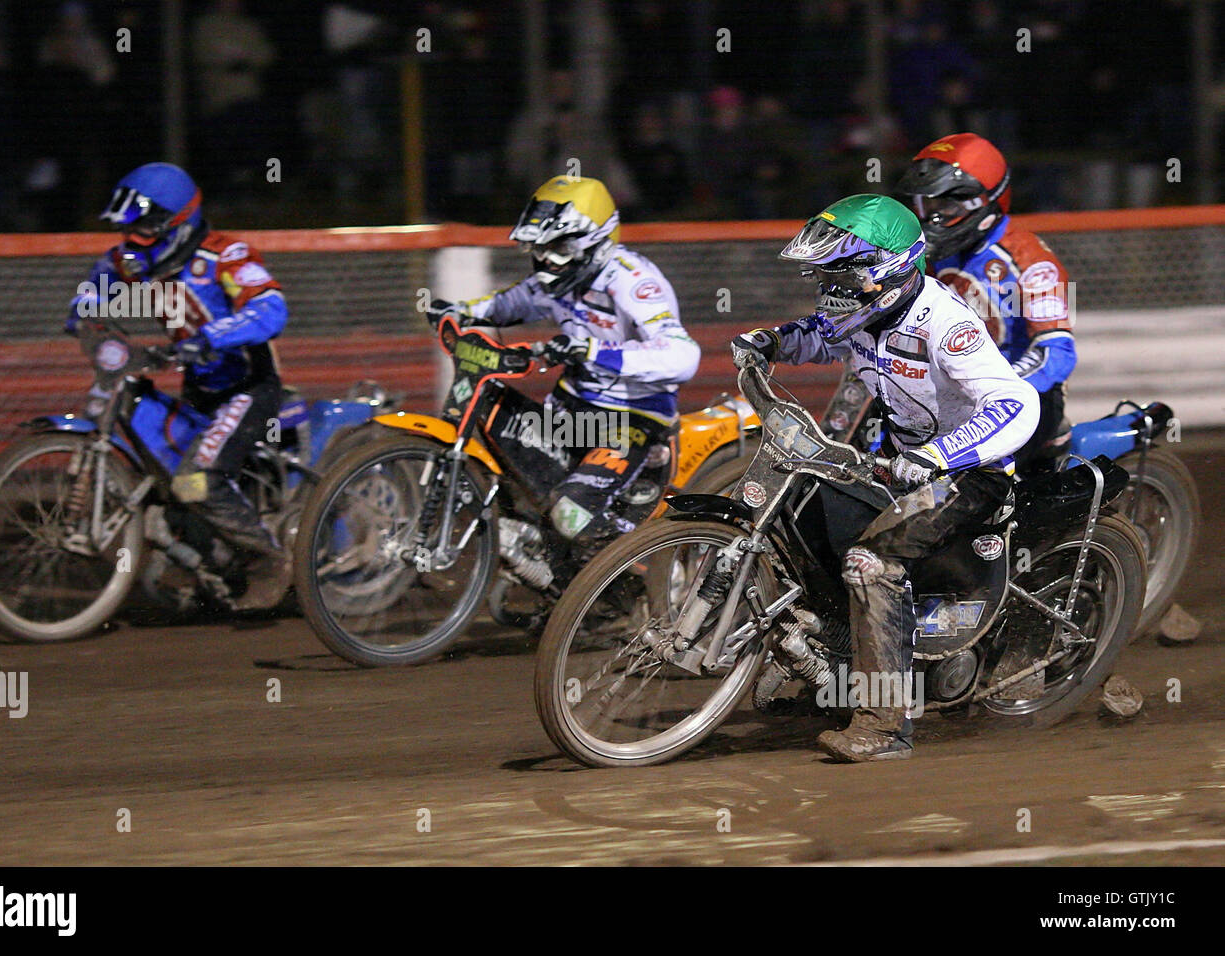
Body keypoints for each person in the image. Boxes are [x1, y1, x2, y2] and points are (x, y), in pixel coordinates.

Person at [732, 194, 1039, 762]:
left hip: (969, 475)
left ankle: (884, 725)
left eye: (839, 277)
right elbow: (818, 333)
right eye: (823, 277)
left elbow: (1017, 403)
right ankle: (830, 658)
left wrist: (940, 453)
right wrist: (770, 342)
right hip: (896, 465)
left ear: (887, 271)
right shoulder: (864, 313)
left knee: (871, 563)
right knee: (799, 507)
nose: (829, 292)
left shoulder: (947, 326)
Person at [431, 175, 700, 573]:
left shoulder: (632, 280)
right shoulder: (557, 279)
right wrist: (462, 311)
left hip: (631, 421)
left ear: (596, 242)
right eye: (539, 248)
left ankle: (632, 578)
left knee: (570, 515)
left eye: (557, 248)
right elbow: (514, 302)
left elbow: (683, 355)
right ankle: (546, 555)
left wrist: (595, 351)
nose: (544, 260)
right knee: (493, 421)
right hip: (571, 413)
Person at [65, 162, 290, 609]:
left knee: (196, 479)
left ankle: (269, 563)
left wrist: (209, 338)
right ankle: (208, 557)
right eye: (129, 229)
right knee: (166, 477)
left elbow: (272, 309)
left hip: (248, 387)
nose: (134, 240)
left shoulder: (225, 255)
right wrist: (89, 320)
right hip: (198, 389)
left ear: (178, 224)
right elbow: (89, 293)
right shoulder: (135, 259)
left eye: (145, 229)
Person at [897, 132, 1075, 470]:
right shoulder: (928, 258)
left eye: (945, 206)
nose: (931, 219)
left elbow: (1057, 352)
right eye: (925, 206)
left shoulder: (1031, 262)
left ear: (985, 202)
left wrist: (998, 384)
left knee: (961, 486)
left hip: (1024, 397)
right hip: (950, 393)